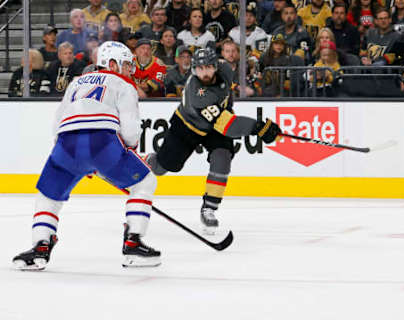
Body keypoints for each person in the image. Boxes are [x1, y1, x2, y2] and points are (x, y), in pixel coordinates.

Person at [12, 41, 160, 270]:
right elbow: (130, 134)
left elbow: (57, 125)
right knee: (145, 182)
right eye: (126, 65)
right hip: (102, 143)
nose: (130, 70)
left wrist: (80, 162)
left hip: (65, 145)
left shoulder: (75, 83)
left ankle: (39, 247)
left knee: (48, 195)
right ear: (111, 63)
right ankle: (134, 243)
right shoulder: (123, 84)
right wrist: (105, 162)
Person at [145, 47, 282, 234]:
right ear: (194, 69)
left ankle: (209, 208)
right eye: (200, 68)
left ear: (216, 66)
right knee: (164, 167)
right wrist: (258, 127)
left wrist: (258, 126)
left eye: (209, 67)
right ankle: (140, 164)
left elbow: (227, 97)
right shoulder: (197, 93)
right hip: (187, 127)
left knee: (223, 157)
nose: (205, 72)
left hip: (217, 124)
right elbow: (228, 126)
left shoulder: (225, 70)